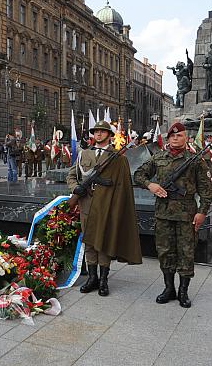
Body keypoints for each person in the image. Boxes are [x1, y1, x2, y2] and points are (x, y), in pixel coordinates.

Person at [134, 122, 212, 308]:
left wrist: (202, 212)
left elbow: (206, 190)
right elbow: (138, 175)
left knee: (186, 253)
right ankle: (168, 288)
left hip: (187, 215)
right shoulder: (158, 158)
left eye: (180, 136)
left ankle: (183, 292)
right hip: (163, 214)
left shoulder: (196, 160)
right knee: (164, 252)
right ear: (168, 138)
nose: (176, 138)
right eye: (172, 136)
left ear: (186, 138)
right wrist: (150, 185)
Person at [67, 120, 142, 296]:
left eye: (102, 131)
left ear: (109, 135)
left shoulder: (117, 157)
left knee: (103, 242)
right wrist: (75, 188)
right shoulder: (84, 154)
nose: (98, 134)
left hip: (106, 206)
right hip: (86, 203)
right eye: (96, 132)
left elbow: (122, 185)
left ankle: (103, 280)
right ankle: (92, 278)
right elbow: (72, 175)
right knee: (90, 243)